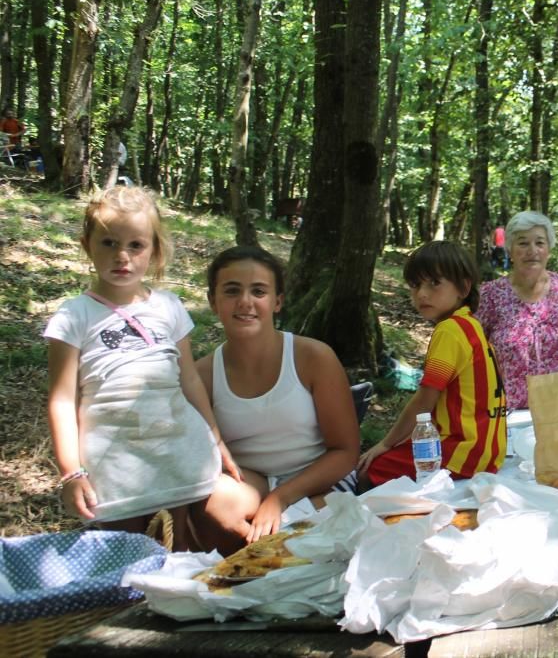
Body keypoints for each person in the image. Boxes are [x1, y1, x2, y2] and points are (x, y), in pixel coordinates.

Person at [44, 186, 238, 551]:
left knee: (179, 546)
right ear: (87, 245)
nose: (122, 256)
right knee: (125, 555)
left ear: (154, 250)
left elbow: (190, 378)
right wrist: (71, 471)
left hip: (179, 451)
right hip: (114, 460)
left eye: (136, 245)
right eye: (109, 243)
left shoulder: (168, 307)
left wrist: (216, 438)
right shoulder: (74, 315)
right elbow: (61, 400)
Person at [187, 247, 360, 554]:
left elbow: (345, 451)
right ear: (213, 301)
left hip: (321, 479)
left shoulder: (313, 357)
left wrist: (281, 499)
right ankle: (245, 574)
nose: (245, 302)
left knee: (294, 534)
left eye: (259, 291)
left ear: (277, 301)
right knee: (210, 500)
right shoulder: (202, 375)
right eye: (231, 291)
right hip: (253, 485)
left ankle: (261, 562)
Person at [358, 241, 506, 487]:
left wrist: (385, 443)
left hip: (462, 451)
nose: (422, 294)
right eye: (415, 285)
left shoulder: (449, 330)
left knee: (367, 470)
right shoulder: (471, 325)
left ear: (463, 287)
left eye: (434, 283)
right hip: (489, 451)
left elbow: (425, 399)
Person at [475, 211, 558, 410]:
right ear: (510, 250)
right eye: (522, 243)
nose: (532, 250)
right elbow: (473, 351)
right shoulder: (490, 295)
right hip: (509, 415)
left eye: (540, 243)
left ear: (549, 250)